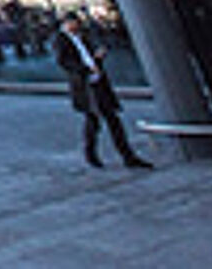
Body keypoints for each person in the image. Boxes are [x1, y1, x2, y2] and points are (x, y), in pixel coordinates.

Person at [52, 12, 151, 169]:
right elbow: (64, 62)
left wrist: (97, 59)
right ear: (66, 24)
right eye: (74, 23)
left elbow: (87, 57)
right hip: (85, 85)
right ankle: (93, 154)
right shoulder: (60, 40)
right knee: (95, 121)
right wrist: (86, 69)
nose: (77, 26)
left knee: (110, 119)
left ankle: (125, 156)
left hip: (98, 81)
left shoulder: (82, 37)